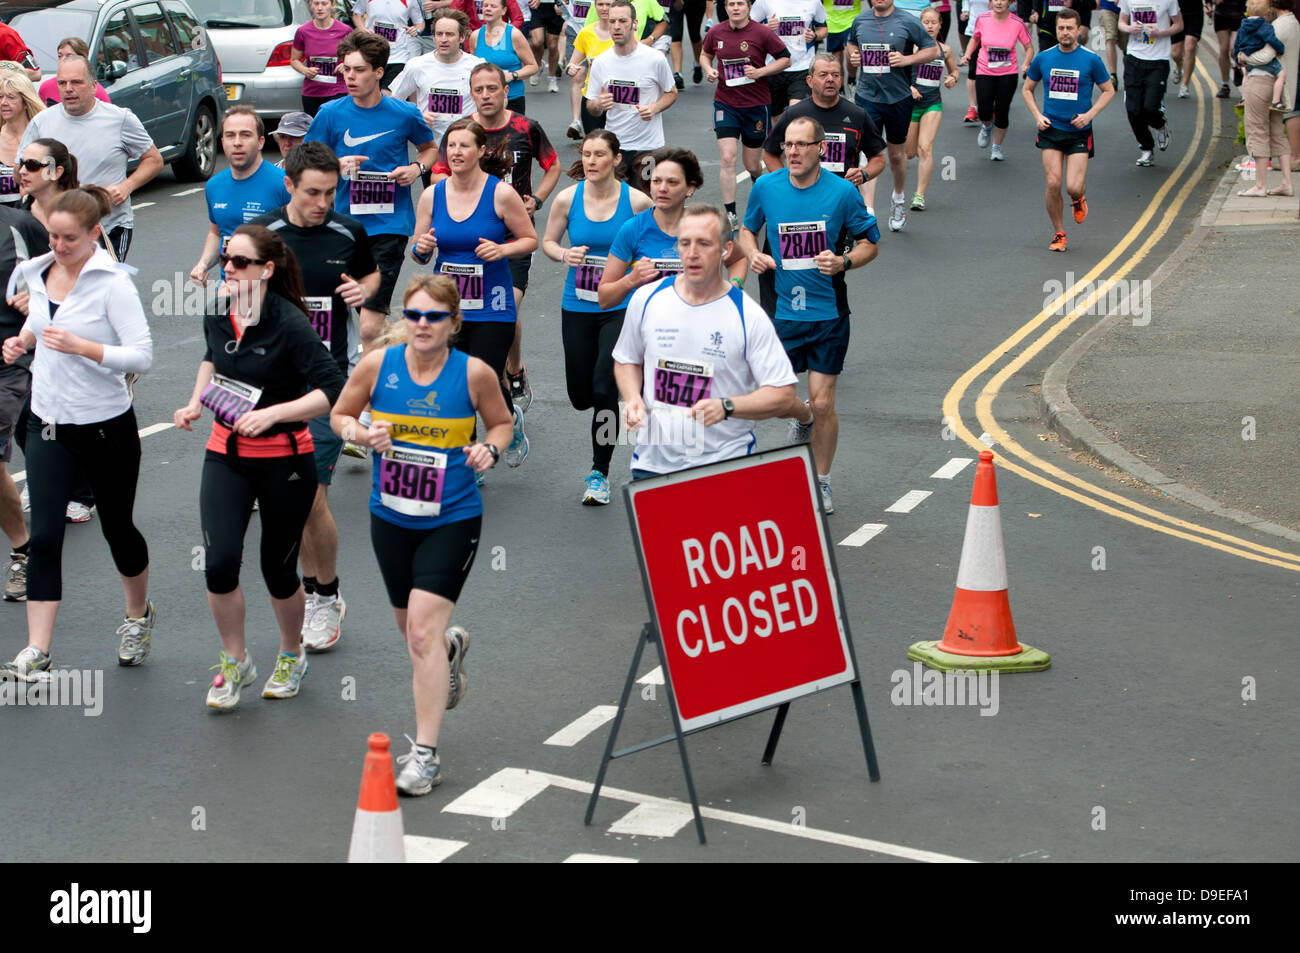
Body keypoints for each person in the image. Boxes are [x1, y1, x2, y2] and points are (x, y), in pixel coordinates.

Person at [330, 275, 511, 794]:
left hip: (452, 515)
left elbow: (499, 424)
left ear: (454, 323)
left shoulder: (473, 374)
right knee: (414, 635)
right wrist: (363, 435)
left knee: (420, 634)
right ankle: (450, 650)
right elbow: (340, 414)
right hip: (390, 516)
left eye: (434, 316)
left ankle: (426, 754)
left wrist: (490, 451)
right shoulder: (376, 367)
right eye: (414, 315)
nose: (423, 325)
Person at [173, 225, 345, 709]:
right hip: (225, 455)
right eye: (227, 259)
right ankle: (236, 660)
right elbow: (212, 360)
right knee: (220, 564)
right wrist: (193, 402)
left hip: (285, 462)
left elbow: (333, 388)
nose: (227, 268)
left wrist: (273, 414)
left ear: (267, 270)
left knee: (278, 569)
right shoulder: (217, 312)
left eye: (240, 262)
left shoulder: (289, 323)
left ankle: (291, 654)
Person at [0, 186, 154, 680]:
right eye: (53, 236)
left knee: (118, 530)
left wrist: (85, 347)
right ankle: (37, 649)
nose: (59, 246)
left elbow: (142, 356)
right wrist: (20, 340)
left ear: (94, 234)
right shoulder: (35, 271)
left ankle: (137, 616)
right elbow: (41, 324)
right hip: (48, 421)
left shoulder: (113, 284)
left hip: (106, 424)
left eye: (69, 238)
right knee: (45, 534)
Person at [253, 143, 379, 652]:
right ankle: (317, 589)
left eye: (330, 192)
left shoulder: (349, 231)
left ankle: (324, 596)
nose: (322, 202)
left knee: (309, 496)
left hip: (328, 385)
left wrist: (363, 291)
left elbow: (369, 274)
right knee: (285, 497)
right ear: (289, 186)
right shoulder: (263, 236)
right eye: (312, 193)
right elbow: (232, 294)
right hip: (272, 386)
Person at [738, 117, 879, 514]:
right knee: (777, 398)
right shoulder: (766, 187)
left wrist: (844, 261)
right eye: (788, 145)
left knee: (822, 403)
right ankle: (800, 419)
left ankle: (821, 480)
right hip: (781, 314)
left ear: (822, 148)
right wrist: (754, 254)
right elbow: (747, 231)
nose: (794, 152)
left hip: (828, 315)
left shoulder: (843, 194)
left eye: (802, 144)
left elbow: (871, 243)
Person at [613, 204, 799, 477]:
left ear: (725, 250)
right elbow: (627, 359)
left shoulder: (747, 316)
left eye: (703, 244)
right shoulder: (647, 299)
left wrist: (728, 407)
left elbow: (783, 395)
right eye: (685, 243)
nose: (692, 254)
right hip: (652, 466)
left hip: (724, 467)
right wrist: (632, 399)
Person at [428, 63, 558, 414]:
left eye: (491, 88)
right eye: (478, 89)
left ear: (504, 91)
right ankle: (496, 382)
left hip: (510, 235)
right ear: (470, 92)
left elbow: (554, 164)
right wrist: (453, 201)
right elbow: (437, 175)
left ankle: (512, 370)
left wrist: (539, 198)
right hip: (465, 238)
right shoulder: (460, 132)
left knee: (507, 309)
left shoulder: (525, 127)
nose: (485, 95)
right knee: (468, 343)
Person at [411, 117, 537, 470]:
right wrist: (422, 247)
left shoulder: (500, 192)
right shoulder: (431, 194)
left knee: (483, 377)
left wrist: (502, 251)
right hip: (448, 308)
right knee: (453, 383)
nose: (456, 152)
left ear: (482, 151)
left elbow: (530, 240)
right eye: (451, 145)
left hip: (492, 305)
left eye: (464, 145)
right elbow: (419, 252)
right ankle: (466, 457)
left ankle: (508, 423)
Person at [305, 30, 436, 352]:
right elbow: (304, 162)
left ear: (379, 72)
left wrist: (416, 169)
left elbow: (430, 149)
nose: (350, 76)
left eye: (359, 70)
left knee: (368, 327)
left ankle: (375, 397)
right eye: (346, 69)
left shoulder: (404, 113)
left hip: (388, 226)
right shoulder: (330, 113)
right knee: (332, 320)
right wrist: (336, 165)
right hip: (340, 227)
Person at [542, 129, 652, 504]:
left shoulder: (636, 202)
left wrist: (635, 272)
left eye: (599, 155)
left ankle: (598, 474)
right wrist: (563, 255)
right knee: (579, 394)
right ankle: (616, 406)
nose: (590, 161)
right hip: (578, 303)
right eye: (586, 154)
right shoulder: (566, 199)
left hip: (620, 306)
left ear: (616, 159)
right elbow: (548, 241)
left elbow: (654, 243)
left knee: (604, 388)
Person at [18, 55, 163, 261]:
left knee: (105, 287)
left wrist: (127, 186)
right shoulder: (42, 122)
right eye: (62, 83)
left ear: (94, 86)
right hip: (56, 228)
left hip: (109, 225)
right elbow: (21, 168)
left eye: (76, 82)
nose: (68, 88)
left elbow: (154, 159)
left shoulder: (120, 119)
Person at [598, 146, 747, 311]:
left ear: (690, 188)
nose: (662, 188)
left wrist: (735, 286)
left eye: (672, 182)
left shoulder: (707, 225)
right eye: (656, 181)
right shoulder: (633, 228)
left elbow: (738, 259)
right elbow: (604, 299)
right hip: (652, 329)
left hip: (702, 323)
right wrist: (630, 280)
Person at [1022, 6, 1114, 250]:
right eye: (1061, 28)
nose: (1065, 33)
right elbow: (1027, 89)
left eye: (1069, 28)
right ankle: (1059, 233)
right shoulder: (1044, 58)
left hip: (1078, 132)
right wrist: (1037, 116)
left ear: (1078, 30)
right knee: (1053, 183)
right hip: (1051, 128)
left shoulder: (1091, 60)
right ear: (1056, 29)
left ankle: (1078, 197)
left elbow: (1109, 90)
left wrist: (1089, 115)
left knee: (1072, 186)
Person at [847, 0, 939, 231]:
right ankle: (868, 210)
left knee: (897, 155)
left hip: (898, 98)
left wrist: (907, 60)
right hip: (867, 96)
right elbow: (851, 45)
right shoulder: (861, 20)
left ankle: (898, 198)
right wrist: (854, 56)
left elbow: (932, 50)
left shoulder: (907, 21)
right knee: (869, 154)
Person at [699, 0, 791, 228]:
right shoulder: (716, 32)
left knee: (752, 165)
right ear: (726, 8)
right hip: (725, 104)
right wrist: (709, 69)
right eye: (731, 4)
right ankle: (730, 213)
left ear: (749, 7)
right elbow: (705, 54)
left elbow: (785, 58)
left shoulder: (761, 33)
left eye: (740, 3)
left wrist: (761, 72)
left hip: (755, 106)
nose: (735, 8)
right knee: (728, 157)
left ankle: (761, 198)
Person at [763, 52, 887, 206]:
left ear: (841, 80)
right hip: (804, 198)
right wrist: (787, 183)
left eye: (835, 75)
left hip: (843, 200)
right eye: (823, 75)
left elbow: (878, 158)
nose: (830, 79)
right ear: (810, 81)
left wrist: (864, 174)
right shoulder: (794, 114)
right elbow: (770, 154)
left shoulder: (857, 115)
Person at [0, 196, 47, 601]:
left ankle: (22, 553)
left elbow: (63, 278)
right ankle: (24, 548)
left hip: (9, 358)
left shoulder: (20, 226)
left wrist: (37, 298)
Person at [190, 108, 292, 285]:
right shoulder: (214, 186)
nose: (237, 143)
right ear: (222, 142)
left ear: (260, 142)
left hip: (273, 288)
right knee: (213, 312)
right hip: (230, 286)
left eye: (245, 135)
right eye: (230, 135)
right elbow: (216, 233)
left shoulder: (284, 184)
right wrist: (203, 264)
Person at [585, 0, 679, 193]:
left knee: (646, 203)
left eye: (622, 21)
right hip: (614, 146)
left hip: (648, 146)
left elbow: (671, 93)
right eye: (612, 22)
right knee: (615, 203)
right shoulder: (601, 62)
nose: (616, 26)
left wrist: (654, 108)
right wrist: (599, 104)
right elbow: (591, 106)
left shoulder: (655, 59)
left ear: (634, 23)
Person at [391, 9, 483, 150]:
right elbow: (393, 101)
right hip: (430, 150)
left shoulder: (477, 66)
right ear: (433, 37)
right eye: (439, 34)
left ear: (462, 37)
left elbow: (493, 105)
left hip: (467, 150)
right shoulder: (417, 65)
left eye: (450, 34)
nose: (444, 39)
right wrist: (417, 117)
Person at [961, 0, 1032, 161]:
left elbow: (1029, 47)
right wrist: (967, 54)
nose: (999, 2)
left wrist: (1026, 63)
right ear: (991, 2)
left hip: (1008, 73)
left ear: (1010, 2)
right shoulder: (983, 19)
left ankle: (997, 146)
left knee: (1002, 110)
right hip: (985, 70)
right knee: (984, 111)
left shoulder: (1017, 22)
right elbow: (975, 38)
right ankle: (986, 126)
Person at [1235, 0, 1294, 196]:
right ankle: (1286, 183)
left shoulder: (1265, 27)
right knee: (1277, 131)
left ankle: (1260, 185)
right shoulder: (1275, 25)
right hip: (1276, 82)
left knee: (1257, 130)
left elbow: (1265, 57)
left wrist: (1242, 58)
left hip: (1259, 82)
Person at [905, 6, 960, 208]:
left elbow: (955, 71)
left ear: (940, 25)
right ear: (920, 24)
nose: (929, 26)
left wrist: (952, 78)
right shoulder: (911, 48)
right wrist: (910, 87)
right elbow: (898, 73)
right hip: (910, 104)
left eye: (933, 22)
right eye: (925, 22)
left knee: (925, 148)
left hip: (932, 103)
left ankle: (919, 196)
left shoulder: (945, 50)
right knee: (910, 153)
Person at [1119, 0, 1181, 166]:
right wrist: (1129, 29)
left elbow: (1179, 25)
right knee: (1133, 109)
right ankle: (1146, 149)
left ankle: (1160, 125)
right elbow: (1121, 22)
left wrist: (1160, 33)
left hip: (1158, 60)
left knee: (1150, 107)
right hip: (1134, 58)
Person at [751, 0, 829, 117]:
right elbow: (748, 27)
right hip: (774, 67)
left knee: (797, 113)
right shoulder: (763, 1)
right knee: (776, 117)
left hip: (803, 67)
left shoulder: (814, 2)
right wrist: (766, 27)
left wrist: (815, 35)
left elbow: (823, 29)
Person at [469, 0, 540, 113]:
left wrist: (512, 75)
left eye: (493, 6)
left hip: (512, 97)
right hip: (484, 99)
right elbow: (472, 68)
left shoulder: (514, 34)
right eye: (485, 6)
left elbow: (533, 66)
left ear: (503, 10)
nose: (488, 9)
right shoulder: (475, 36)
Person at [292, 0, 353, 115]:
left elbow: (356, 56)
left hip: (337, 89)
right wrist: (305, 70)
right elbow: (294, 60)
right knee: (315, 129)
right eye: (316, 4)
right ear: (311, 5)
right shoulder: (303, 31)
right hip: (312, 92)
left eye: (324, 4)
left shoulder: (345, 31)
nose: (320, 8)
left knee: (334, 126)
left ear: (332, 5)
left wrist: (346, 65)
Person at [567, 0, 616, 137]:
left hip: (617, 97)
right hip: (592, 96)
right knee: (594, 143)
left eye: (609, 4)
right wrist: (571, 69)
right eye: (600, 4)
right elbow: (573, 63)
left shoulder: (624, 33)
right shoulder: (586, 33)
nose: (604, 8)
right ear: (595, 6)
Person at [352, 0, 427, 90]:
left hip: (398, 56)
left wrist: (416, 30)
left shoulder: (411, 1)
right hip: (372, 54)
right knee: (370, 95)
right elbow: (357, 14)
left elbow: (419, 23)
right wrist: (363, 29)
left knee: (388, 96)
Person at [1233, 0, 1287, 111]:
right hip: (1266, 63)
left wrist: (1238, 62)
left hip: (1247, 59)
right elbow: (1272, 40)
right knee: (1281, 74)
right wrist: (1281, 49)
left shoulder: (1242, 27)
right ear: (1266, 12)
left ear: (1247, 10)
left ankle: (1243, 98)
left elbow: (1236, 46)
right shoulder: (1265, 27)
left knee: (1246, 75)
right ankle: (1276, 101)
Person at [0, 70, 42, 208]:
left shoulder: (41, 136)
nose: (4, 103)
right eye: (0, 97)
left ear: (25, 102)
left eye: (11, 97)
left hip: (33, 219)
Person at [36, 38, 111, 107]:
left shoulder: (96, 90)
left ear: (83, 58)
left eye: (69, 56)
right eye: (60, 56)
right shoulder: (46, 87)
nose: (63, 60)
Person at [670, 0, 715, 87]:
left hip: (695, 3)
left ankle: (698, 63)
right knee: (675, 35)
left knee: (694, 35)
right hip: (674, 2)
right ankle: (677, 73)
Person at [824, 0, 864, 88]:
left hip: (851, 21)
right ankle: (840, 85)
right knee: (837, 57)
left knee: (850, 54)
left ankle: (852, 79)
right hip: (833, 23)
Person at [1211, 0, 1247, 98]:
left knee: (1234, 49)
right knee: (1223, 48)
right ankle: (1225, 85)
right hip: (1221, 14)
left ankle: (1237, 67)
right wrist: (1209, 3)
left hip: (1239, 13)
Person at [1169, 0, 1203, 97]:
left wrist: (1209, 3)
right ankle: (1179, 66)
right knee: (1175, 54)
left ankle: (1185, 85)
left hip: (1195, 13)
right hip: (1176, 12)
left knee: (1190, 46)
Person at [1097, 0, 1128, 88]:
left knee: (1125, 45)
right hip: (1107, 7)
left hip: (1125, 8)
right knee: (1110, 38)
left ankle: (1130, 71)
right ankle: (1113, 75)